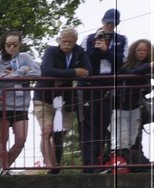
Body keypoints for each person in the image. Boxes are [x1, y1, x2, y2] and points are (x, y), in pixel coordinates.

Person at [38, 27, 88, 173]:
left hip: (65, 98)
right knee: (47, 131)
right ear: (59, 39)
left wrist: (63, 77)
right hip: (44, 97)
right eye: (63, 41)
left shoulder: (79, 52)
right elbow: (47, 71)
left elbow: (87, 70)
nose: (66, 44)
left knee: (60, 133)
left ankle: (56, 162)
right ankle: (49, 165)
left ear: (75, 42)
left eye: (69, 42)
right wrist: (73, 72)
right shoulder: (51, 51)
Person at [0, 31, 39, 171]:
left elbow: (37, 72)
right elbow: (2, 82)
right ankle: (4, 169)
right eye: (8, 44)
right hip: (2, 104)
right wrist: (22, 72)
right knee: (2, 139)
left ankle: (4, 167)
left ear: (19, 44)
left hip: (21, 104)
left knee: (21, 139)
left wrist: (15, 74)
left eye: (15, 44)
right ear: (3, 45)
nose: (12, 47)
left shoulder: (25, 57)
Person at [81, 28, 118, 172]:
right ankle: (89, 165)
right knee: (88, 127)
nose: (101, 39)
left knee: (102, 127)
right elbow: (87, 64)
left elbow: (120, 64)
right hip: (89, 91)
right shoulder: (88, 44)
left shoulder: (114, 47)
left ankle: (98, 159)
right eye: (98, 37)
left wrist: (106, 50)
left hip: (106, 92)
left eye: (103, 37)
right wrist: (97, 48)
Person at [111, 38, 152, 168]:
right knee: (121, 138)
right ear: (133, 50)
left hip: (135, 105)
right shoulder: (126, 64)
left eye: (145, 50)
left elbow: (146, 86)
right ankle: (122, 164)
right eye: (139, 50)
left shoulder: (148, 66)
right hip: (120, 106)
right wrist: (148, 66)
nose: (142, 52)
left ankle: (133, 164)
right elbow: (131, 73)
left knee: (133, 138)